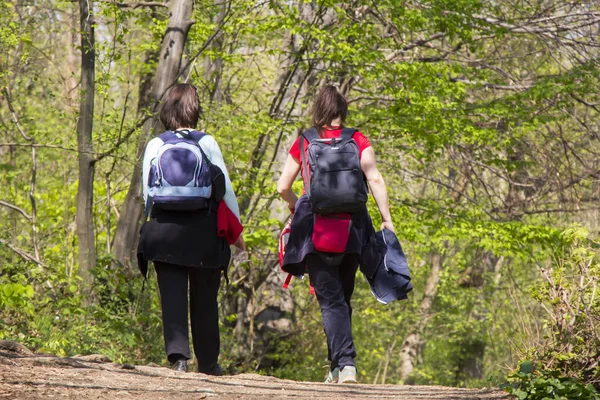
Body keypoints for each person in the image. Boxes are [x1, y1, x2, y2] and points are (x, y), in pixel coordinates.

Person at [276, 85, 394, 384]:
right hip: (353, 228)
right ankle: (337, 367)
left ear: (319, 110)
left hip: (317, 230)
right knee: (342, 297)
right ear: (343, 109)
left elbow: (282, 186)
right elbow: (375, 177)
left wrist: (296, 206)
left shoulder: (305, 140)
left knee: (331, 301)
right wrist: (386, 219)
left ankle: (346, 364)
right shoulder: (357, 138)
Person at [137, 83, 244, 374]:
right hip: (204, 233)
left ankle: (178, 359)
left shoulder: (156, 144)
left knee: (172, 295)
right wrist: (238, 235)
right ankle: (208, 362)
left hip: (164, 232)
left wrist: (153, 223)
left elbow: (147, 193)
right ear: (194, 109)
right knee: (205, 297)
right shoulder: (206, 142)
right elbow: (226, 192)